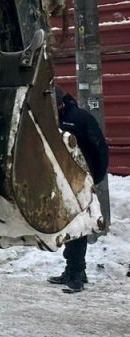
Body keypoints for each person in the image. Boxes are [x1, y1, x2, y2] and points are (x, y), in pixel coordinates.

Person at [47, 87, 109, 293]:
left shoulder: (80, 119)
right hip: (62, 181)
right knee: (70, 225)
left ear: (60, 103)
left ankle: (75, 273)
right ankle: (74, 270)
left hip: (80, 181)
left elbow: (100, 149)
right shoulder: (51, 119)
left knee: (77, 225)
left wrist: (94, 178)